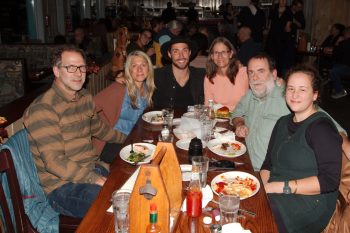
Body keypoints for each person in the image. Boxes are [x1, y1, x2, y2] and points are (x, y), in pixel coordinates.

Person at [23, 46, 126, 218]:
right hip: (62, 187)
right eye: (70, 67)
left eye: (81, 67)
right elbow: (54, 162)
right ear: (56, 70)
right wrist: (96, 179)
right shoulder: (43, 109)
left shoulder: (84, 97)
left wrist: (127, 140)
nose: (78, 73)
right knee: (119, 207)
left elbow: (99, 129)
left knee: (137, 183)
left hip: (91, 170)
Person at [260, 64, 342, 233]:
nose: (295, 95)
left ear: (315, 95)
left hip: (311, 202)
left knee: (260, 221)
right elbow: (268, 164)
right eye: (290, 89)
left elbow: (329, 180)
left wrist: (275, 188)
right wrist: (260, 189)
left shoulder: (321, 128)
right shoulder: (282, 122)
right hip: (277, 190)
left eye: (302, 90)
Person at [232, 53, 346, 171]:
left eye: (261, 71)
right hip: (243, 162)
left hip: (268, 173)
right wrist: (239, 123)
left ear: (274, 74)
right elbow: (237, 112)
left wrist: (346, 144)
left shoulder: (288, 97)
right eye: (251, 72)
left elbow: (325, 121)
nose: (254, 78)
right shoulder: (250, 95)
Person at [153, 37, 205, 108]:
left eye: (185, 50)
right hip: (165, 119)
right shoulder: (157, 76)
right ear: (169, 54)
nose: (181, 56)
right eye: (175, 51)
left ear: (189, 53)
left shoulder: (201, 76)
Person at [113, 51, 155, 136]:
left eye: (143, 65)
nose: (139, 69)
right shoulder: (122, 88)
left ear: (149, 68)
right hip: (119, 137)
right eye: (134, 66)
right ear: (129, 69)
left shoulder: (146, 88)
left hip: (137, 134)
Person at [204, 37, 249, 111]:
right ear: (212, 56)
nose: (220, 56)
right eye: (216, 52)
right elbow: (208, 105)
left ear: (230, 54)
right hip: (218, 119)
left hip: (241, 118)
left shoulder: (244, 73)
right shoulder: (209, 77)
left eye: (223, 52)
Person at [329, 26, 350, 99]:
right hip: (346, 65)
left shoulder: (346, 42)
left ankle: (340, 91)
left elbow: (335, 51)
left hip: (348, 67)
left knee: (333, 71)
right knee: (335, 66)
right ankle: (336, 86)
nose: (344, 35)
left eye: (345, 33)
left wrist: (338, 42)